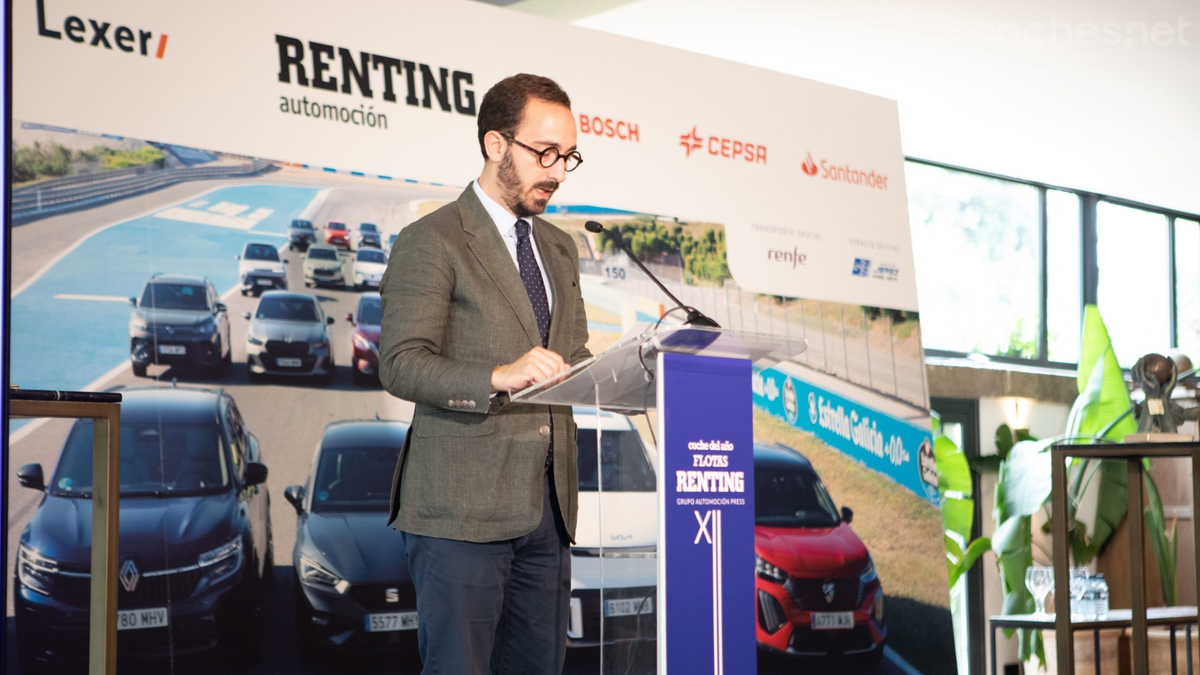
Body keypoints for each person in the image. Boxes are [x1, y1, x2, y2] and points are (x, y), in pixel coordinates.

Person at [378, 73, 591, 675]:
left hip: (549, 512)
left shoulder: (559, 247)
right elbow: (400, 362)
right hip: (460, 511)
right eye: (544, 152)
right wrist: (500, 374)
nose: (557, 171)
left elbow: (567, 357)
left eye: (568, 156)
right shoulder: (432, 239)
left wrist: (621, 370)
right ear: (496, 144)